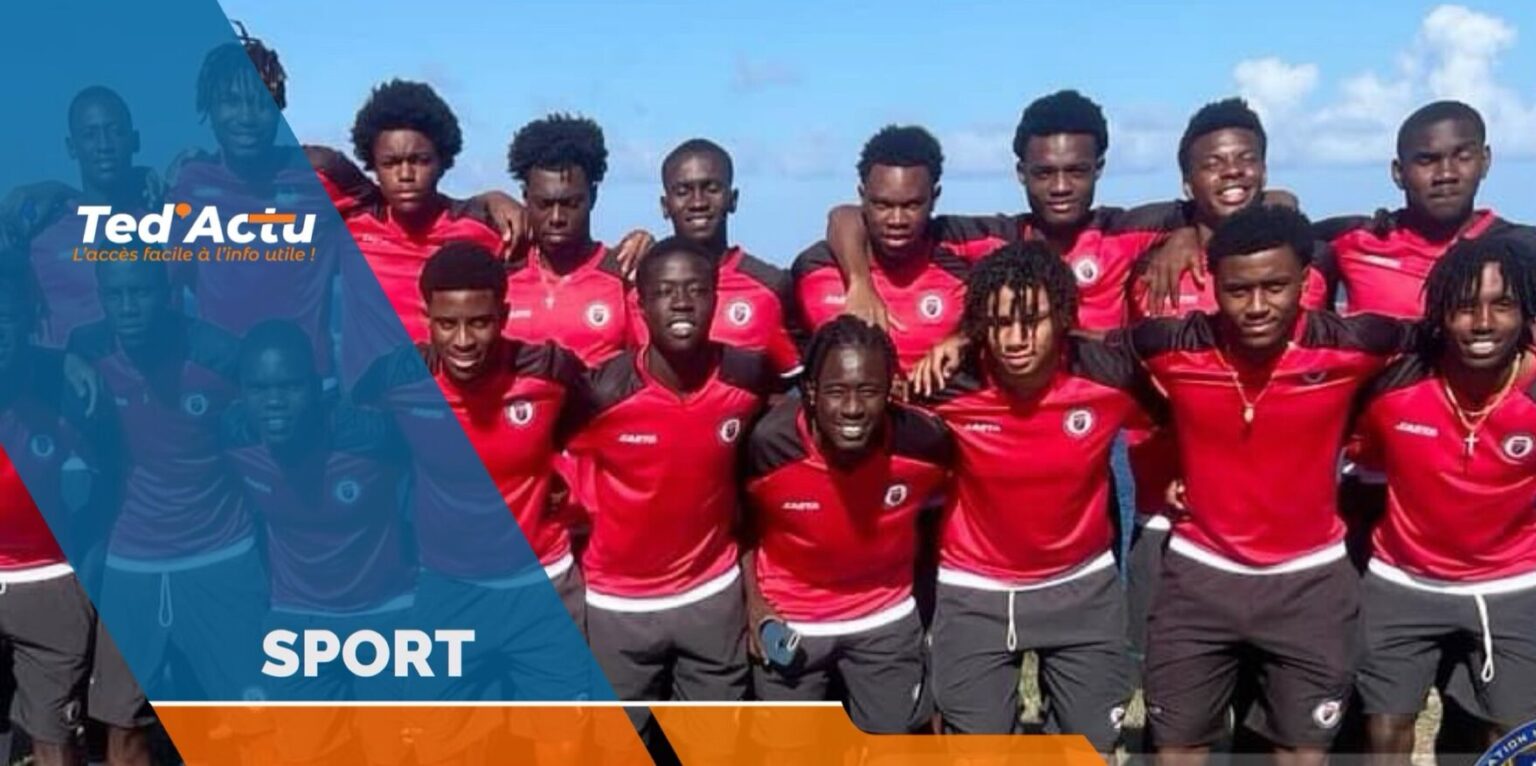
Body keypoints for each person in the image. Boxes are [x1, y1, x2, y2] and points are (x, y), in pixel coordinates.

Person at [1119, 205, 1412, 766]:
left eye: (1275, 287)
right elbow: (1082, 353)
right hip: (1199, 577)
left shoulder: (1356, 341)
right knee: (1175, 750)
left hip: (1311, 581)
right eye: (1238, 290)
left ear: (1306, 282)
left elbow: (1457, 342)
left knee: (1301, 752)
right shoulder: (1170, 344)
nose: (1256, 306)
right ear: (1214, 286)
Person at [915, 243, 1162, 754]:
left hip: (1082, 588)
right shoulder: (945, 386)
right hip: (975, 592)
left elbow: (1183, 414)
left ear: (1064, 318)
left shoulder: (1110, 375)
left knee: (1089, 748)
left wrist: (1178, 477)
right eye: (999, 323)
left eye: (1032, 321)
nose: (1015, 339)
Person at [564, 238, 774, 718]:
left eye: (695, 289)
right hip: (618, 605)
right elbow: (544, 454)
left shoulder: (747, 377)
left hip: (712, 596)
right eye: (664, 292)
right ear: (640, 306)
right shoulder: (601, 394)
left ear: (716, 298)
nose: (681, 302)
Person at [1351, 237, 1536, 763]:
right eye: (1465, 306)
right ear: (1439, 314)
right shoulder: (1394, 387)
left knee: (1513, 740)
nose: (1483, 323)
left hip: (1512, 587)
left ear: (1526, 314)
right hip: (1402, 582)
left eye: (1502, 305)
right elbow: (1358, 465)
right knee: (1383, 729)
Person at [69, 258, 267, 707]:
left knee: (254, 713)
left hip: (221, 549)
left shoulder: (218, 354)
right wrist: (67, 364)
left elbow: (272, 417)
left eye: (140, 293)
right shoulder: (86, 348)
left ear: (167, 294)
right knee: (122, 720)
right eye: (115, 296)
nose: (128, 307)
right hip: (131, 556)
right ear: (101, 299)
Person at [826, 90, 1186, 335]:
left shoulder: (1126, 231)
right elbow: (847, 216)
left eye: (1076, 171)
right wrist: (859, 282)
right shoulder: (994, 239)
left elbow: (1205, 213)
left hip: (1101, 405)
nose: (1060, 186)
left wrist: (1184, 237)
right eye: (1044, 173)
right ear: (1021, 173)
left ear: (1099, 168)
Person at [742, 316, 949, 733]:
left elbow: (938, 524)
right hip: (792, 620)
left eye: (868, 391)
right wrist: (755, 605)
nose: (853, 408)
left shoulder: (924, 443)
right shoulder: (769, 446)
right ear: (812, 392)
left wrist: (930, 618)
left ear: (890, 391)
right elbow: (738, 526)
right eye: (837, 392)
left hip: (885, 619)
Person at [221, 320, 415, 764]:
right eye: (259, 389)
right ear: (241, 393)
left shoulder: (372, 438)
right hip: (296, 622)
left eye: (290, 387)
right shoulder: (231, 435)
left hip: (387, 617)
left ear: (316, 388)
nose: (274, 402)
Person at [0, 256, 112, 766]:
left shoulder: (66, 390)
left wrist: (86, 559)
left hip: (47, 583)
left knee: (55, 741)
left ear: (28, 319)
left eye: (6, 317)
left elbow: (116, 478)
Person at [792, 125, 969, 372]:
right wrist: (859, 282)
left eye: (912, 205)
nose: (897, 220)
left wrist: (964, 337)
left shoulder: (963, 258)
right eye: (882, 205)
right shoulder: (813, 268)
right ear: (862, 196)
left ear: (934, 197)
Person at [654, 139, 801, 381]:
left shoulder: (772, 286)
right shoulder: (640, 287)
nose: (698, 202)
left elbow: (793, 384)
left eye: (711, 189)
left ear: (733, 199)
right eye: (683, 192)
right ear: (665, 205)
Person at [503, 114, 638, 367]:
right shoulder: (502, 276)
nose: (556, 218)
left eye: (570, 204)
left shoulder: (623, 275)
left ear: (593, 197)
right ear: (525, 198)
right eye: (544, 204)